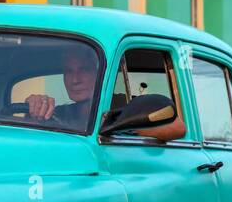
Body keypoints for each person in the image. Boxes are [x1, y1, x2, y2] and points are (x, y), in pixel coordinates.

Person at [24, 46, 186, 141]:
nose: (75, 80)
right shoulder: (60, 113)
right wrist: (34, 109)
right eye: (68, 71)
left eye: (84, 70)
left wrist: (125, 128)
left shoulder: (127, 106)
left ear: (99, 73)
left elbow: (178, 127)